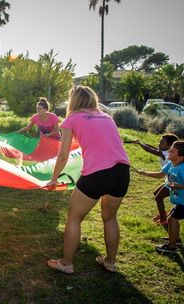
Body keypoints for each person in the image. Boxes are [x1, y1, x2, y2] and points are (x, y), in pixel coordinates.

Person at [47, 86, 130, 274]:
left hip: (97, 174)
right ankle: (110, 262)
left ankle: (66, 263)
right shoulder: (107, 117)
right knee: (110, 218)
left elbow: (63, 155)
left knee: (74, 218)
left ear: (73, 101)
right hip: (122, 171)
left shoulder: (71, 119)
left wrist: (54, 179)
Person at [133, 140, 184, 253]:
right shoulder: (171, 164)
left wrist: (179, 186)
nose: (169, 151)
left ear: (181, 157)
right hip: (180, 201)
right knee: (171, 218)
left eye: (172, 151)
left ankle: (171, 246)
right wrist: (144, 173)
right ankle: (176, 240)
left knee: (172, 219)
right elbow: (160, 175)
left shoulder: (183, 169)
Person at [133, 133, 179, 225]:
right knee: (157, 194)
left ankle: (164, 220)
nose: (159, 144)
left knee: (159, 197)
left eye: (162, 143)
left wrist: (140, 144)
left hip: (174, 182)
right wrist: (141, 142)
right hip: (169, 179)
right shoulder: (166, 152)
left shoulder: (165, 154)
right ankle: (164, 216)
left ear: (170, 146)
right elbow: (153, 148)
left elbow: (150, 150)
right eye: (159, 142)